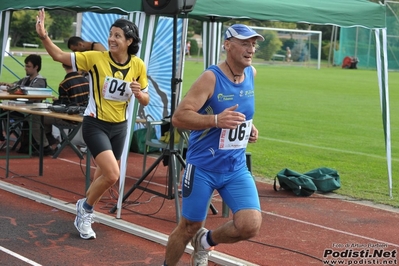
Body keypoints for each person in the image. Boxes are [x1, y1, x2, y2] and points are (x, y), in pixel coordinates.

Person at [36, 8, 150, 239]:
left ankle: (85, 207)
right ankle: (85, 209)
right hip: (95, 124)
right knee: (112, 175)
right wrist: (44, 36)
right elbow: (59, 56)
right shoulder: (95, 58)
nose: (111, 39)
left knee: (102, 176)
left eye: (118, 35)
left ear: (129, 41)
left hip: (120, 127)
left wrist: (139, 94)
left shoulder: (138, 65)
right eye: (111, 34)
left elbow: (146, 99)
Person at [163, 24, 263, 266]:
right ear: (227, 45)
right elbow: (178, 117)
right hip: (203, 168)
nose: (250, 48)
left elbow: (241, 110)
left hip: (235, 168)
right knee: (189, 226)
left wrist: (248, 126)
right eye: (244, 43)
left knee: (250, 225)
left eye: (253, 43)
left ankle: (205, 242)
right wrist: (216, 120)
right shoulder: (210, 78)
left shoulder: (251, 74)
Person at [30, 63, 90, 156]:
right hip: (85, 116)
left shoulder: (64, 83)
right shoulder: (86, 81)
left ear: (63, 66)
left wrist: (56, 103)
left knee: (35, 117)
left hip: (70, 119)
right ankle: (49, 139)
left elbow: (63, 106)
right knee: (44, 117)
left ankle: (45, 146)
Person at [0, 54, 47, 153]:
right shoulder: (25, 79)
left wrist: (14, 89)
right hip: (19, 107)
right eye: (25, 66)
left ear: (36, 67)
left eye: (28, 66)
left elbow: (28, 96)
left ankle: (1, 137)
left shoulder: (40, 81)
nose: (25, 68)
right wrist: (7, 85)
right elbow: (14, 87)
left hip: (28, 110)